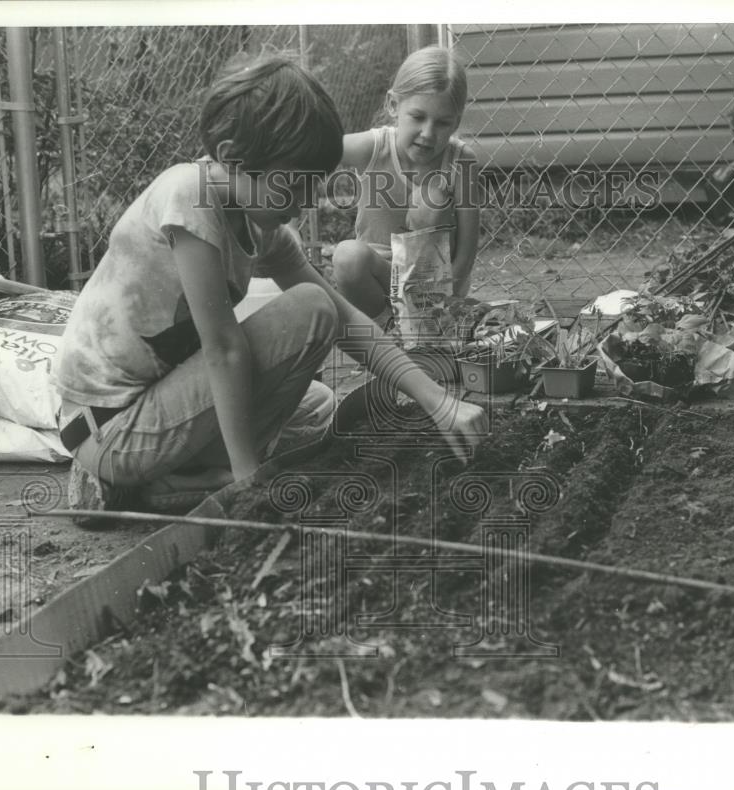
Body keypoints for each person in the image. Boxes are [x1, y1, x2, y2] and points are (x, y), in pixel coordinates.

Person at [52, 52, 488, 525]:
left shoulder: (262, 227)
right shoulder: (187, 197)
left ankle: (175, 480)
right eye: (291, 187)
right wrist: (247, 483)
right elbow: (224, 349)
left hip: (157, 405)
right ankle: (175, 482)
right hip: (110, 427)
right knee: (308, 310)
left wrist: (438, 402)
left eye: (310, 188)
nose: (302, 205)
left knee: (318, 405)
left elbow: (347, 320)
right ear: (231, 156)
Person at [332, 45, 480, 328]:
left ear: (457, 121)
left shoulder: (461, 161)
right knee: (348, 256)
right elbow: (316, 149)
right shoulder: (373, 147)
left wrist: (450, 303)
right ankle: (392, 334)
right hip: (379, 282)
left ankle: (424, 329)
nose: (428, 133)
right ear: (393, 105)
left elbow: (466, 254)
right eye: (418, 117)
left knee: (430, 197)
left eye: (442, 122)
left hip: (434, 288)